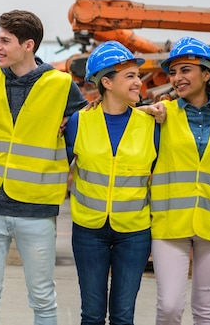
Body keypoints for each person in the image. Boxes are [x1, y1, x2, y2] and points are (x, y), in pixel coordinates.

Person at [0, 9, 87, 325]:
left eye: (5, 41)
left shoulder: (62, 86)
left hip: (36, 209)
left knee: (42, 298)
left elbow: (88, 131)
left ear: (28, 45)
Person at [151, 37, 210, 324]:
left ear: (207, 74)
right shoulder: (161, 115)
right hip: (170, 224)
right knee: (169, 307)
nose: (177, 78)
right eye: (174, 72)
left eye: (185, 70)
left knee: (206, 311)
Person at [63, 40, 157, 325]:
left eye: (137, 76)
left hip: (134, 232)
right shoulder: (79, 121)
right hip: (88, 231)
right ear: (107, 81)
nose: (138, 82)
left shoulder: (152, 124)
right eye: (130, 76)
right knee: (91, 315)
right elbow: (56, 164)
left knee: (123, 315)